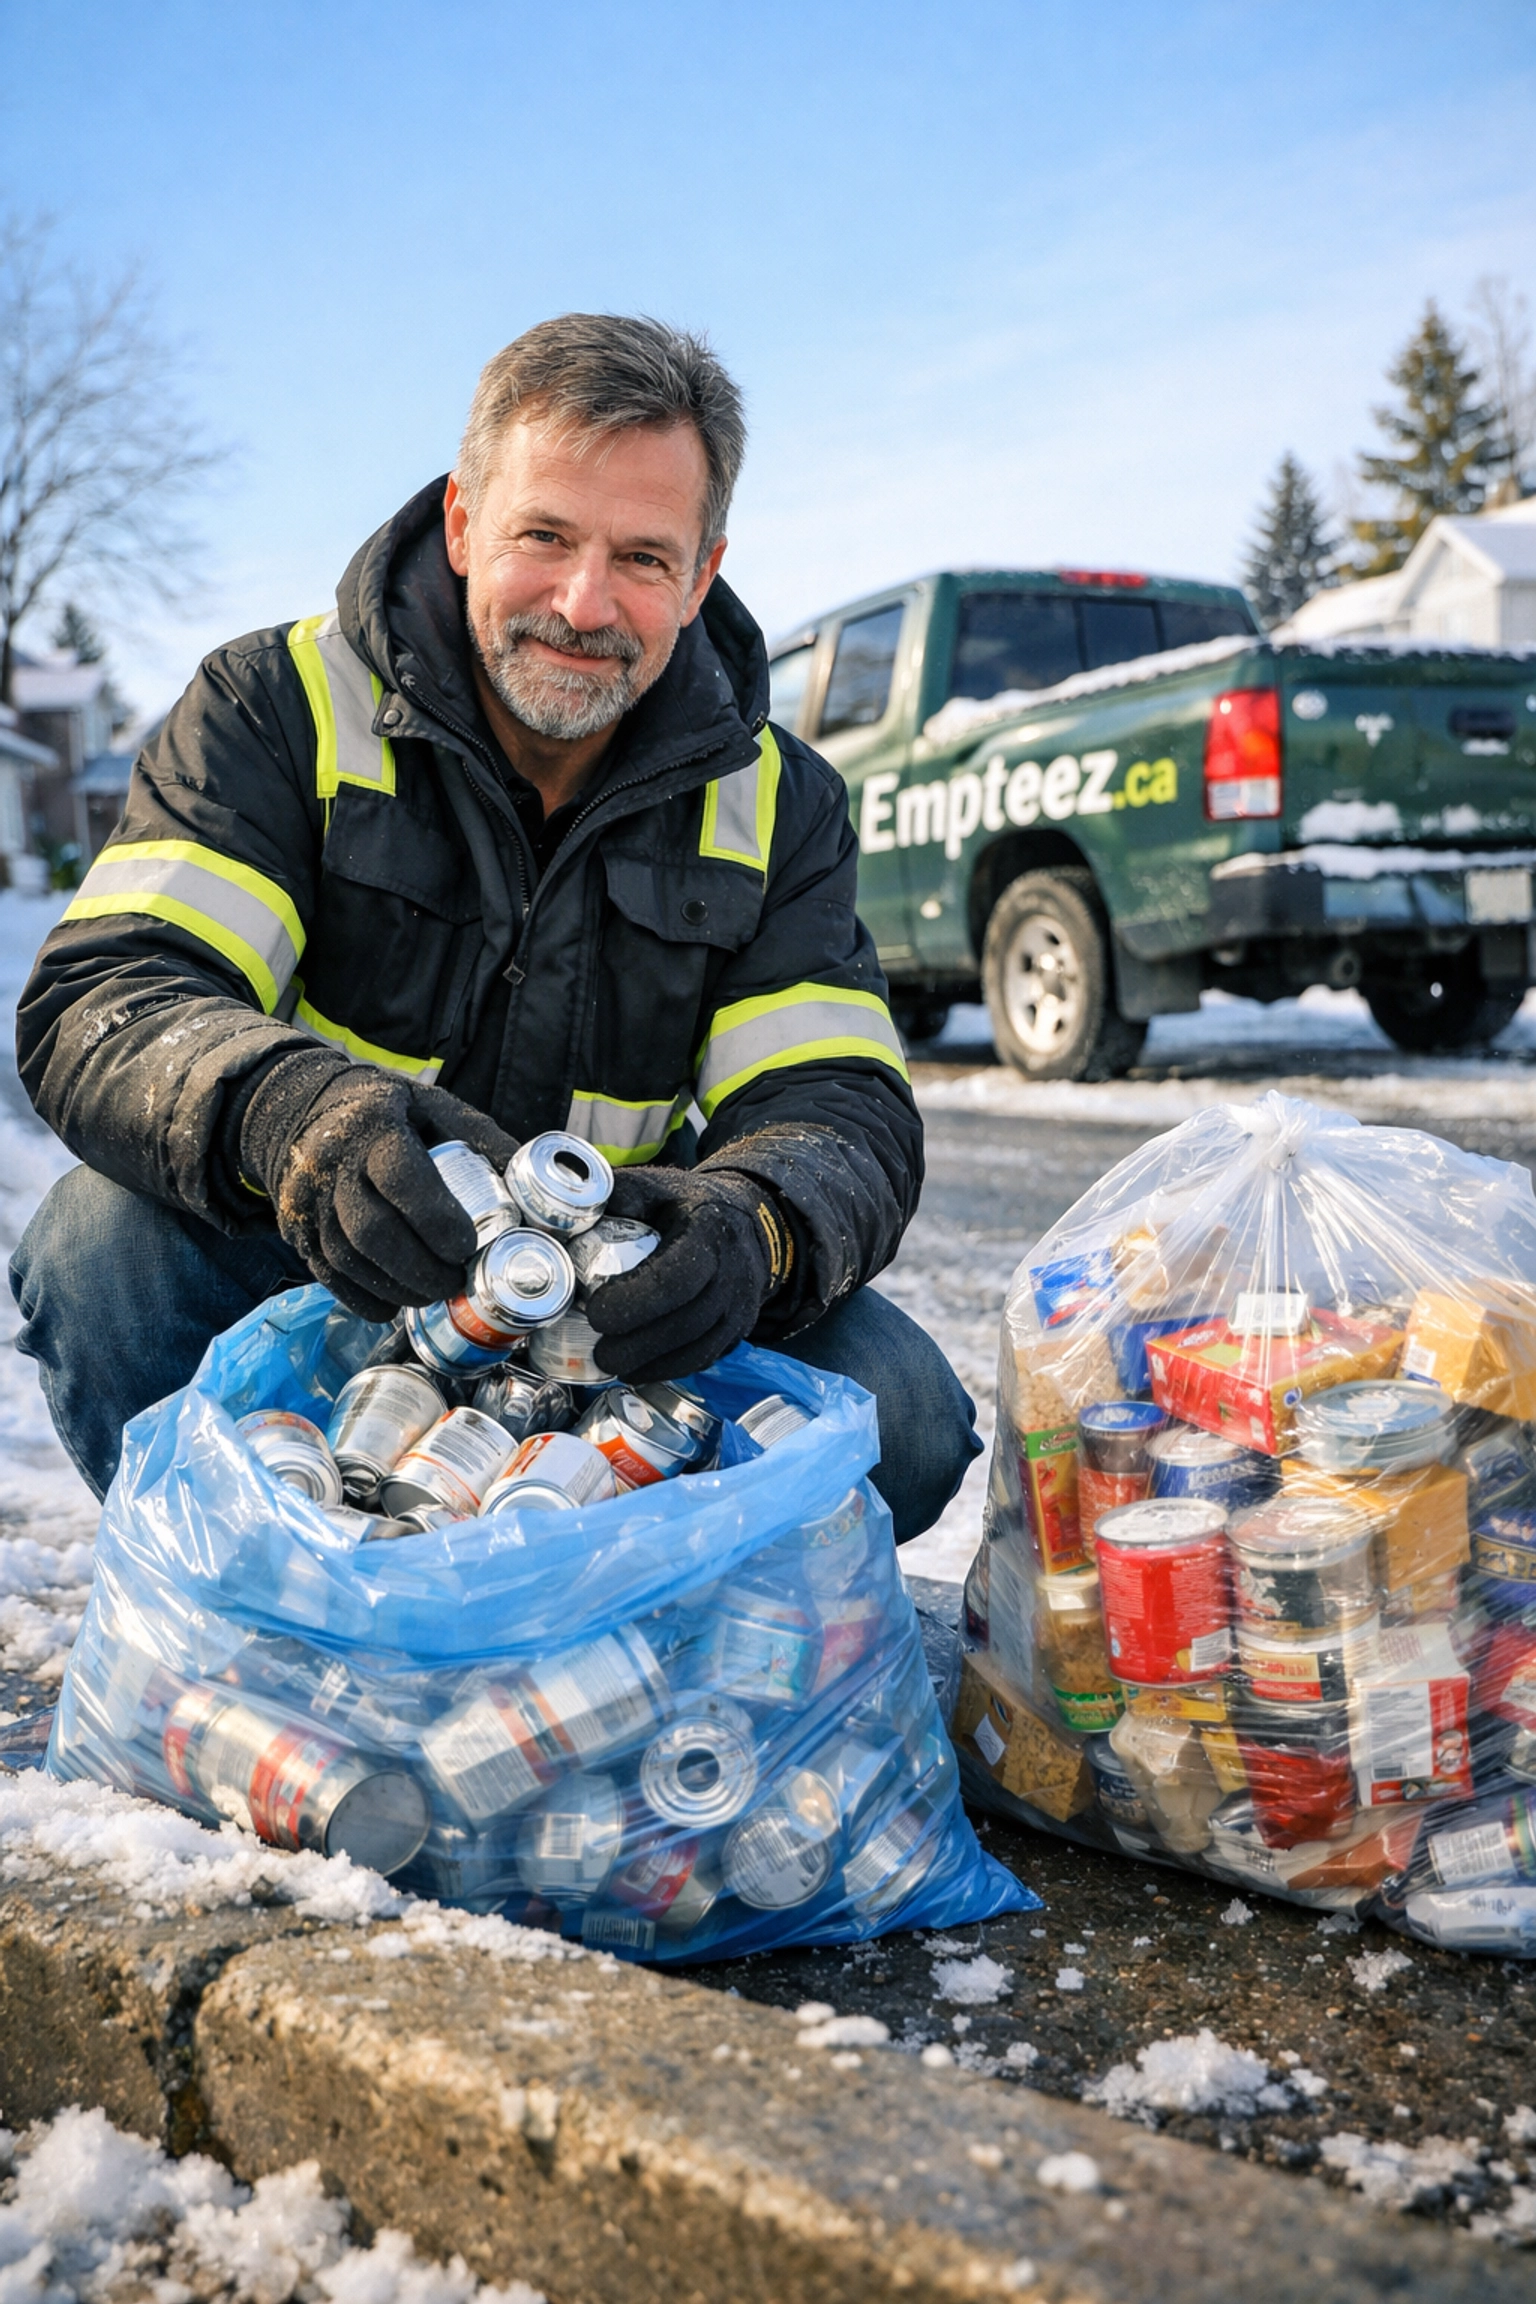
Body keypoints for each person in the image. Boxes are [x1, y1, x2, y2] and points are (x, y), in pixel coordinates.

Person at [10, 314, 979, 1535]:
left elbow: (838, 1101)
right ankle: (263, 1595)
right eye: (545, 536)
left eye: (643, 556)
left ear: (702, 575)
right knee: (96, 1254)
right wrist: (296, 1117)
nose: (584, 602)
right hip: (322, 1254)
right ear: (464, 524)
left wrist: (756, 1228)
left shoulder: (783, 801)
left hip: (620, 1315)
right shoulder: (274, 705)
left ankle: (616, 1619)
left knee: (906, 1412)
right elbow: (112, 993)